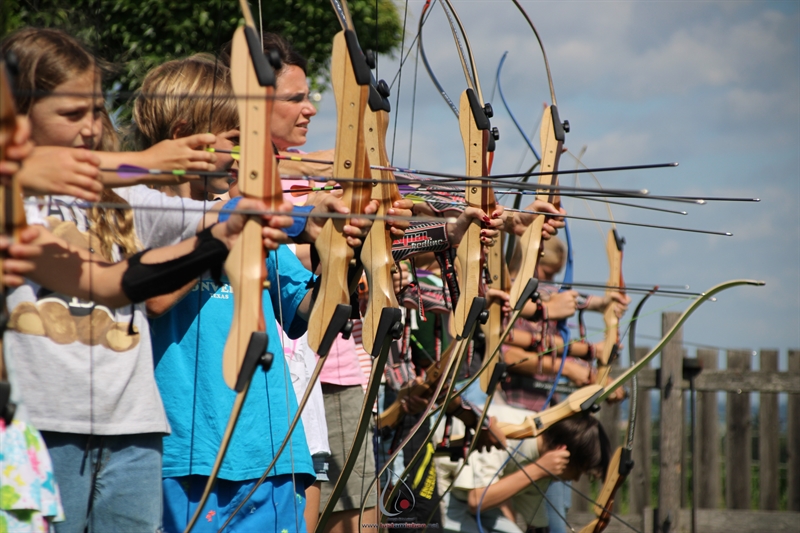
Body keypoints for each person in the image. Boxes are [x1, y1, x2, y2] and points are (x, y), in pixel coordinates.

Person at [436, 404, 610, 533]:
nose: (577, 479)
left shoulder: (542, 455)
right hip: (436, 490)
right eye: (579, 470)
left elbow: (537, 526)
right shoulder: (504, 431)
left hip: (461, 500)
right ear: (562, 451)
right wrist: (538, 469)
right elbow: (477, 500)